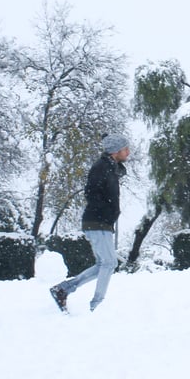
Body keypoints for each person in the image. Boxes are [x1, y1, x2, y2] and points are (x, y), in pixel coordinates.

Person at [49, 134, 130, 313]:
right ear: (115, 151)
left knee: (104, 263)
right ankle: (97, 305)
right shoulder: (101, 168)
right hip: (98, 221)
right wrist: (107, 212)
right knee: (109, 263)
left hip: (101, 222)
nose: (128, 152)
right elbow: (91, 193)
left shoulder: (110, 167)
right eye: (125, 149)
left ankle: (63, 289)